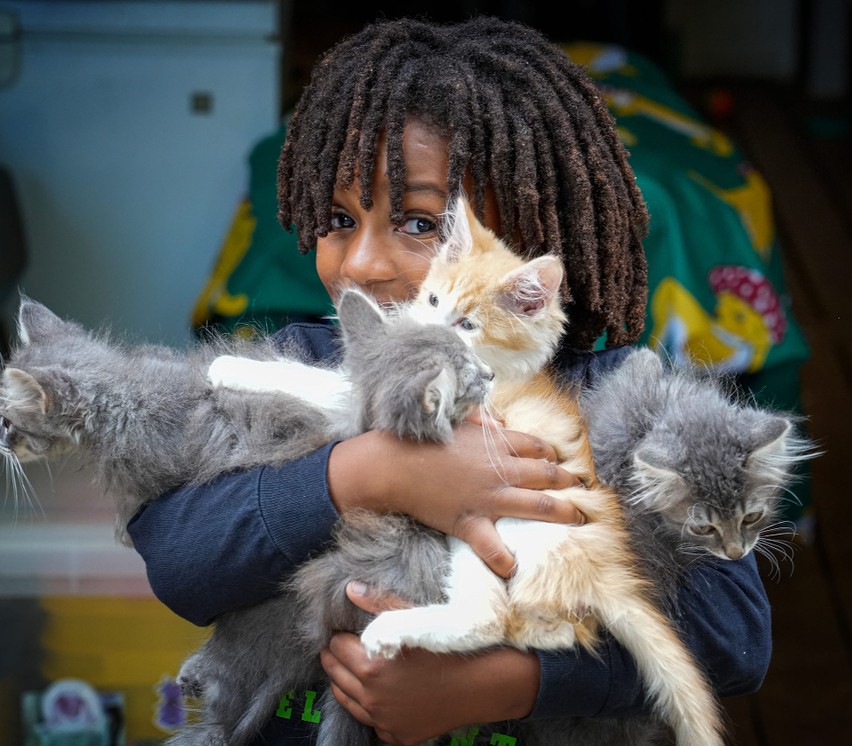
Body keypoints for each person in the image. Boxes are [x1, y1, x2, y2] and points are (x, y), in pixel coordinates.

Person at [128, 16, 770, 745]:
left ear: (523, 232)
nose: (361, 264)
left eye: (420, 223)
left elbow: (735, 634)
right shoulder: (292, 370)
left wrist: (503, 686)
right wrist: (366, 473)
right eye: (340, 217)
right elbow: (180, 561)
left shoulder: (621, 403)